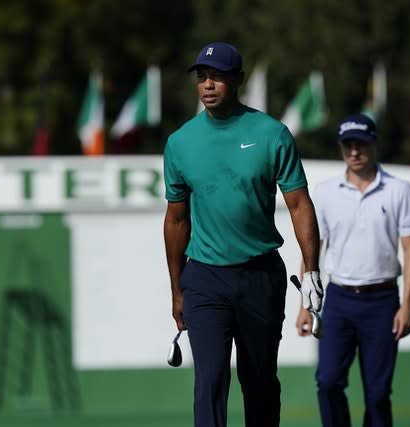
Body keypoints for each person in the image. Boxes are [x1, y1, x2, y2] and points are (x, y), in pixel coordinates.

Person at [163, 41, 322, 427]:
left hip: (259, 276)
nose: (208, 85)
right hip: (205, 277)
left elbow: (300, 205)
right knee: (211, 379)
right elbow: (176, 221)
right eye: (202, 78)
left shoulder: (271, 134)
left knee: (259, 380)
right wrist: (177, 288)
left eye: (217, 76)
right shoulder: (180, 143)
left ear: (238, 79)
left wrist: (312, 270)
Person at [296, 113, 410, 427]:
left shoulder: (399, 190)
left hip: (382, 302)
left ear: (374, 144)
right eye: (347, 145)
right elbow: (312, 250)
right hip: (338, 301)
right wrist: (304, 306)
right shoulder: (325, 192)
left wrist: (407, 306)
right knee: (328, 382)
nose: (354, 152)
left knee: (378, 394)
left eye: (361, 144)